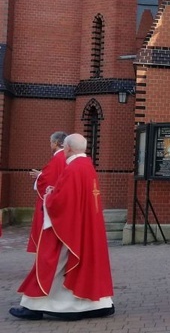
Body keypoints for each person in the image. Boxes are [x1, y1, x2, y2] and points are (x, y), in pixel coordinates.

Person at [10, 133, 115, 321]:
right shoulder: (87, 166)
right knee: (85, 265)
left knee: (51, 262)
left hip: (69, 228)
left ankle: (34, 306)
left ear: (67, 148)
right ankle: (98, 305)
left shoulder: (73, 168)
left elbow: (62, 202)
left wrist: (49, 196)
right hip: (85, 226)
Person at [27, 131, 67, 253]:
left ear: (56, 143)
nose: (50, 145)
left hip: (51, 201)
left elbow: (49, 179)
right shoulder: (65, 156)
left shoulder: (58, 158)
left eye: (51, 142)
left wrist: (40, 176)